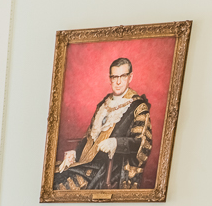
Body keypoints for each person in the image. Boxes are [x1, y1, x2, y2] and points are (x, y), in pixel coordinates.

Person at [54, 56, 153, 192]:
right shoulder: (104, 104)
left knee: (61, 186)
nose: (118, 82)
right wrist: (74, 154)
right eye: (114, 77)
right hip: (86, 163)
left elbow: (142, 143)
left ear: (130, 77)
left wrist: (116, 143)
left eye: (123, 76)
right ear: (110, 79)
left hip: (108, 169)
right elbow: (89, 137)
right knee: (53, 174)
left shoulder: (138, 107)